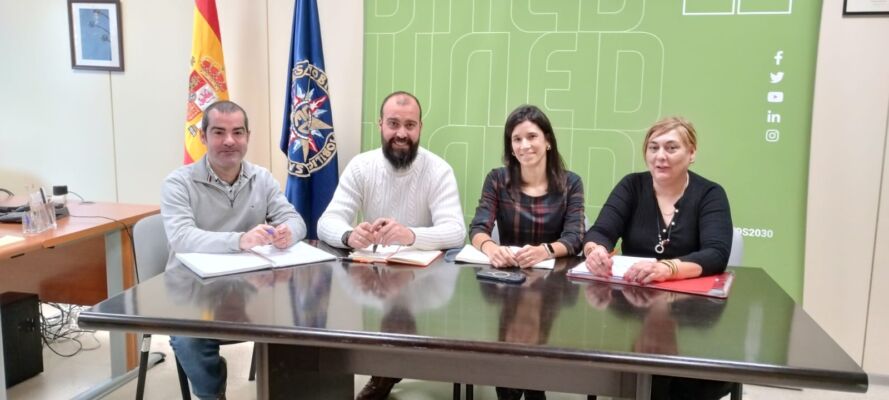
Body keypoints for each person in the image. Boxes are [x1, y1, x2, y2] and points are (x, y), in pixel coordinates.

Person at [317, 91, 466, 399]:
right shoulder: (361, 166)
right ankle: (381, 371)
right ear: (380, 124)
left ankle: (385, 374)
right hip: (374, 275)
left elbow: (455, 232)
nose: (401, 133)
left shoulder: (438, 169)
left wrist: (409, 234)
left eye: (410, 125)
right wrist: (349, 235)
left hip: (425, 278)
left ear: (420, 128)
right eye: (393, 124)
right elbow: (326, 222)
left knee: (401, 309)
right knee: (334, 307)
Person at [161, 100, 306, 400]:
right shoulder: (178, 183)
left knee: (298, 323)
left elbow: (295, 220)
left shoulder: (262, 178)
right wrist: (240, 240)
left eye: (238, 132)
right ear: (203, 137)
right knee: (189, 340)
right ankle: (212, 392)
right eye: (219, 132)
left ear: (247, 137)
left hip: (250, 290)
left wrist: (287, 233)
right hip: (194, 293)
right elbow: (182, 238)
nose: (230, 140)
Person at [583, 116, 733, 399]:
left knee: (682, 383)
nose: (660, 156)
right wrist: (595, 250)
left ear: (691, 153)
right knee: (619, 371)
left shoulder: (710, 194)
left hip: (689, 311)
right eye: (653, 148)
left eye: (671, 148)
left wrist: (668, 268)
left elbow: (716, 253)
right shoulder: (632, 186)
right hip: (636, 301)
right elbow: (600, 231)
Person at [469, 104, 585, 268]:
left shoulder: (571, 183)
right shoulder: (497, 179)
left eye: (531, 136)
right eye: (517, 139)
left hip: (554, 275)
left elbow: (575, 238)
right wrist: (492, 249)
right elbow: (478, 228)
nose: (524, 145)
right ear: (511, 147)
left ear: (548, 140)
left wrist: (545, 251)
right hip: (509, 271)